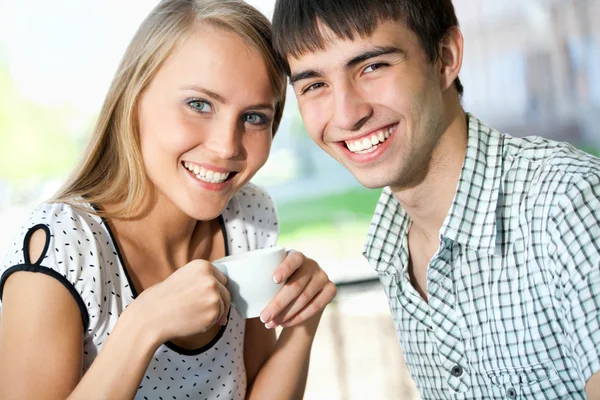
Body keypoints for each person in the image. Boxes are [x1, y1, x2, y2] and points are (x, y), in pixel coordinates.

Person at [0, 0, 337, 398]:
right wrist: (143, 324)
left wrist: (302, 321)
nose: (226, 146)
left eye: (254, 117)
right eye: (199, 104)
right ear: (134, 97)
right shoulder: (61, 245)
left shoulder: (247, 216)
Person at [271, 0, 600, 399]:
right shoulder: (394, 244)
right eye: (314, 85)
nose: (346, 115)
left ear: (445, 58)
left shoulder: (567, 203)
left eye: (372, 67)